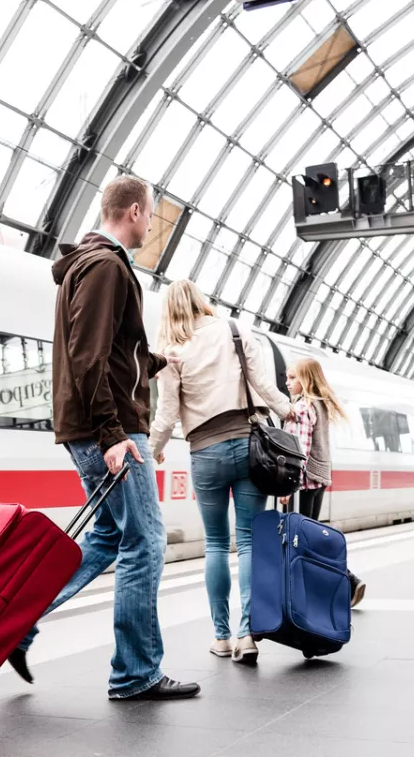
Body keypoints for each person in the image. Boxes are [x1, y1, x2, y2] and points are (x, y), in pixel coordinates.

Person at [7, 177, 200, 701]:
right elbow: (87, 353)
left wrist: (159, 360)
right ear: (134, 211)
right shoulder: (108, 267)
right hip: (110, 429)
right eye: (150, 216)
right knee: (145, 542)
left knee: (112, 537)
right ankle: (135, 673)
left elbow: (110, 351)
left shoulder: (87, 265)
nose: (150, 226)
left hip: (95, 425)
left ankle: (17, 622)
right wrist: (112, 433)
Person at [149, 280, 293, 665]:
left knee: (215, 544)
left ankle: (221, 636)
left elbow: (165, 414)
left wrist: (154, 450)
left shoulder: (171, 352)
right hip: (250, 448)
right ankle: (248, 635)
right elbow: (264, 383)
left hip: (205, 452)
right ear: (201, 301)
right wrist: (287, 409)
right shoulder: (235, 331)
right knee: (247, 541)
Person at [281, 358, 366, 608]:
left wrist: (290, 486)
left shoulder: (304, 408)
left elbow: (301, 452)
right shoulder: (320, 406)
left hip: (304, 484)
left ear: (306, 380)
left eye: (293, 377)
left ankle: (342, 583)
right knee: (313, 538)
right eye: (287, 377)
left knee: (302, 541)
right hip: (318, 480)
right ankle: (341, 585)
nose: (288, 382)